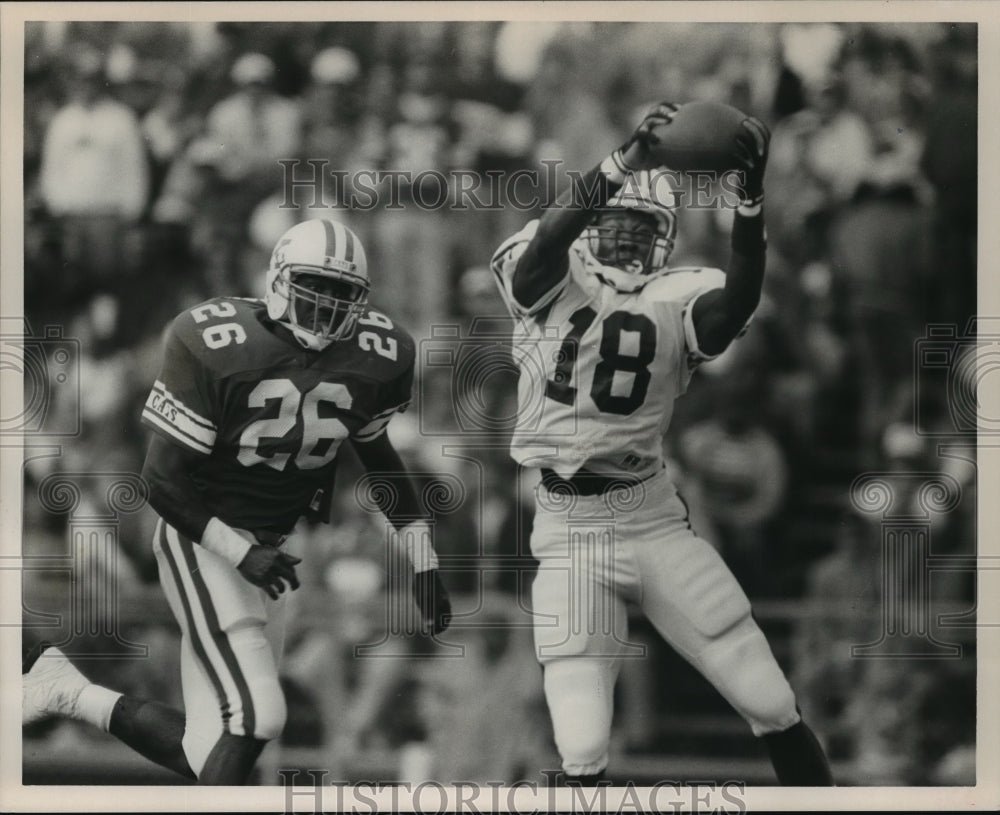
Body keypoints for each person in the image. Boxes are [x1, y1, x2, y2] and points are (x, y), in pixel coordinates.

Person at [23, 217, 452, 785]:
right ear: (278, 280)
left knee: (210, 749)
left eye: (341, 293)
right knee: (260, 715)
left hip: (271, 552)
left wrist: (424, 561)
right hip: (201, 537)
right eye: (314, 287)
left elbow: (382, 463)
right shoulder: (216, 342)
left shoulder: (378, 355)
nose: (326, 306)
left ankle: (70, 692)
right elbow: (159, 478)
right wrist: (239, 553)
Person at [489, 103, 834, 785]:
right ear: (591, 228)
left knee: (770, 696)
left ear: (666, 242)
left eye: (642, 233)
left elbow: (737, 301)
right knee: (581, 742)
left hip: (650, 516)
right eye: (614, 228)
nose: (625, 244)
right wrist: (621, 163)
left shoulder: (679, 297)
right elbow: (545, 247)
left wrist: (749, 200)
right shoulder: (547, 275)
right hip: (567, 526)